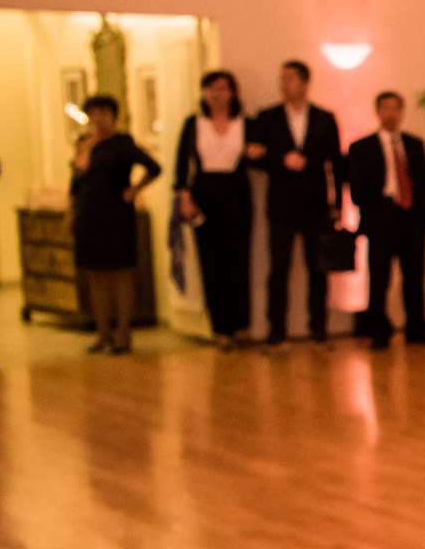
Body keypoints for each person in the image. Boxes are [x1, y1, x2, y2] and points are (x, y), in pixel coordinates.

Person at [251, 59, 342, 348]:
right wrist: (281, 159)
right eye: (282, 79)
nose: (284, 84)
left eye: (289, 79)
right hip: (281, 205)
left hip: (315, 204)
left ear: (304, 83)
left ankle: (319, 330)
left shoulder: (324, 118)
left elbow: (335, 163)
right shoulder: (268, 117)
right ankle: (276, 332)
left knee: (318, 269)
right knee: (279, 269)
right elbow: (255, 155)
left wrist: (337, 202)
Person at [345, 91, 425, 349]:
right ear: (378, 112)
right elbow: (356, 188)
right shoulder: (361, 147)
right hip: (381, 217)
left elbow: (424, 182)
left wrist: (421, 210)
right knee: (379, 277)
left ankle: (417, 328)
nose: (391, 113)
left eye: (396, 108)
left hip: (411, 218)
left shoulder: (414, 144)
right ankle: (378, 330)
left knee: (414, 276)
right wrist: (376, 209)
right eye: (386, 108)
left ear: (402, 112)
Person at [69, 95, 161, 356]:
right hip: (89, 213)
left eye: (104, 113)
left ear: (113, 116)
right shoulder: (84, 146)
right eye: (94, 114)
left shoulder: (123, 144)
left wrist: (135, 189)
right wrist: (72, 210)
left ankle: (123, 332)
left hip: (116, 213)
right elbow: (75, 181)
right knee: (95, 274)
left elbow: (154, 167)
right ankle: (102, 332)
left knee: (121, 273)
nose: (99, 119)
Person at [174, 69, 257, 348]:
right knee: (211, 262)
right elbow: (182, 164)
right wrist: (184, 195)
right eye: (212, 89)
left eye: (223, 89)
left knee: (239, 259)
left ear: (233, 93)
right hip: (205, 192)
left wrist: (259, 154)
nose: (218, 94)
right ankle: (220, 328)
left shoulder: (246, 123)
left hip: (236, 192)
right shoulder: (193, 123)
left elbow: (261, 155)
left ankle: (241, 324)